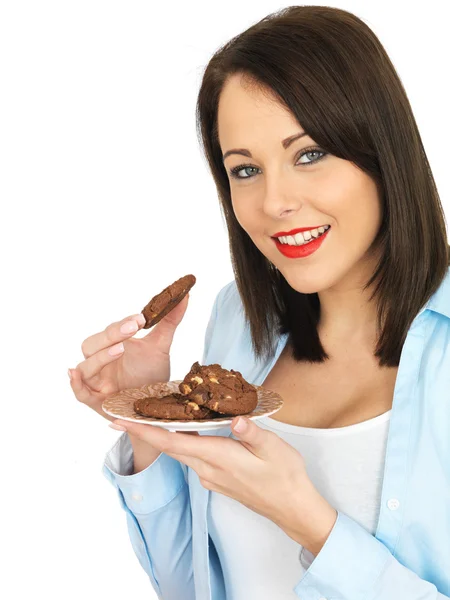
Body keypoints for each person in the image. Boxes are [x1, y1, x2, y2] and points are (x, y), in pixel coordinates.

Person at [69, 5, 450, 600]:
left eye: (309, 154)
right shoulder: (239, 326)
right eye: (244, 170)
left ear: (381, 149)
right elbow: (193, 586)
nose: (274, 202)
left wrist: (309, 522)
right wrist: (146, 417)